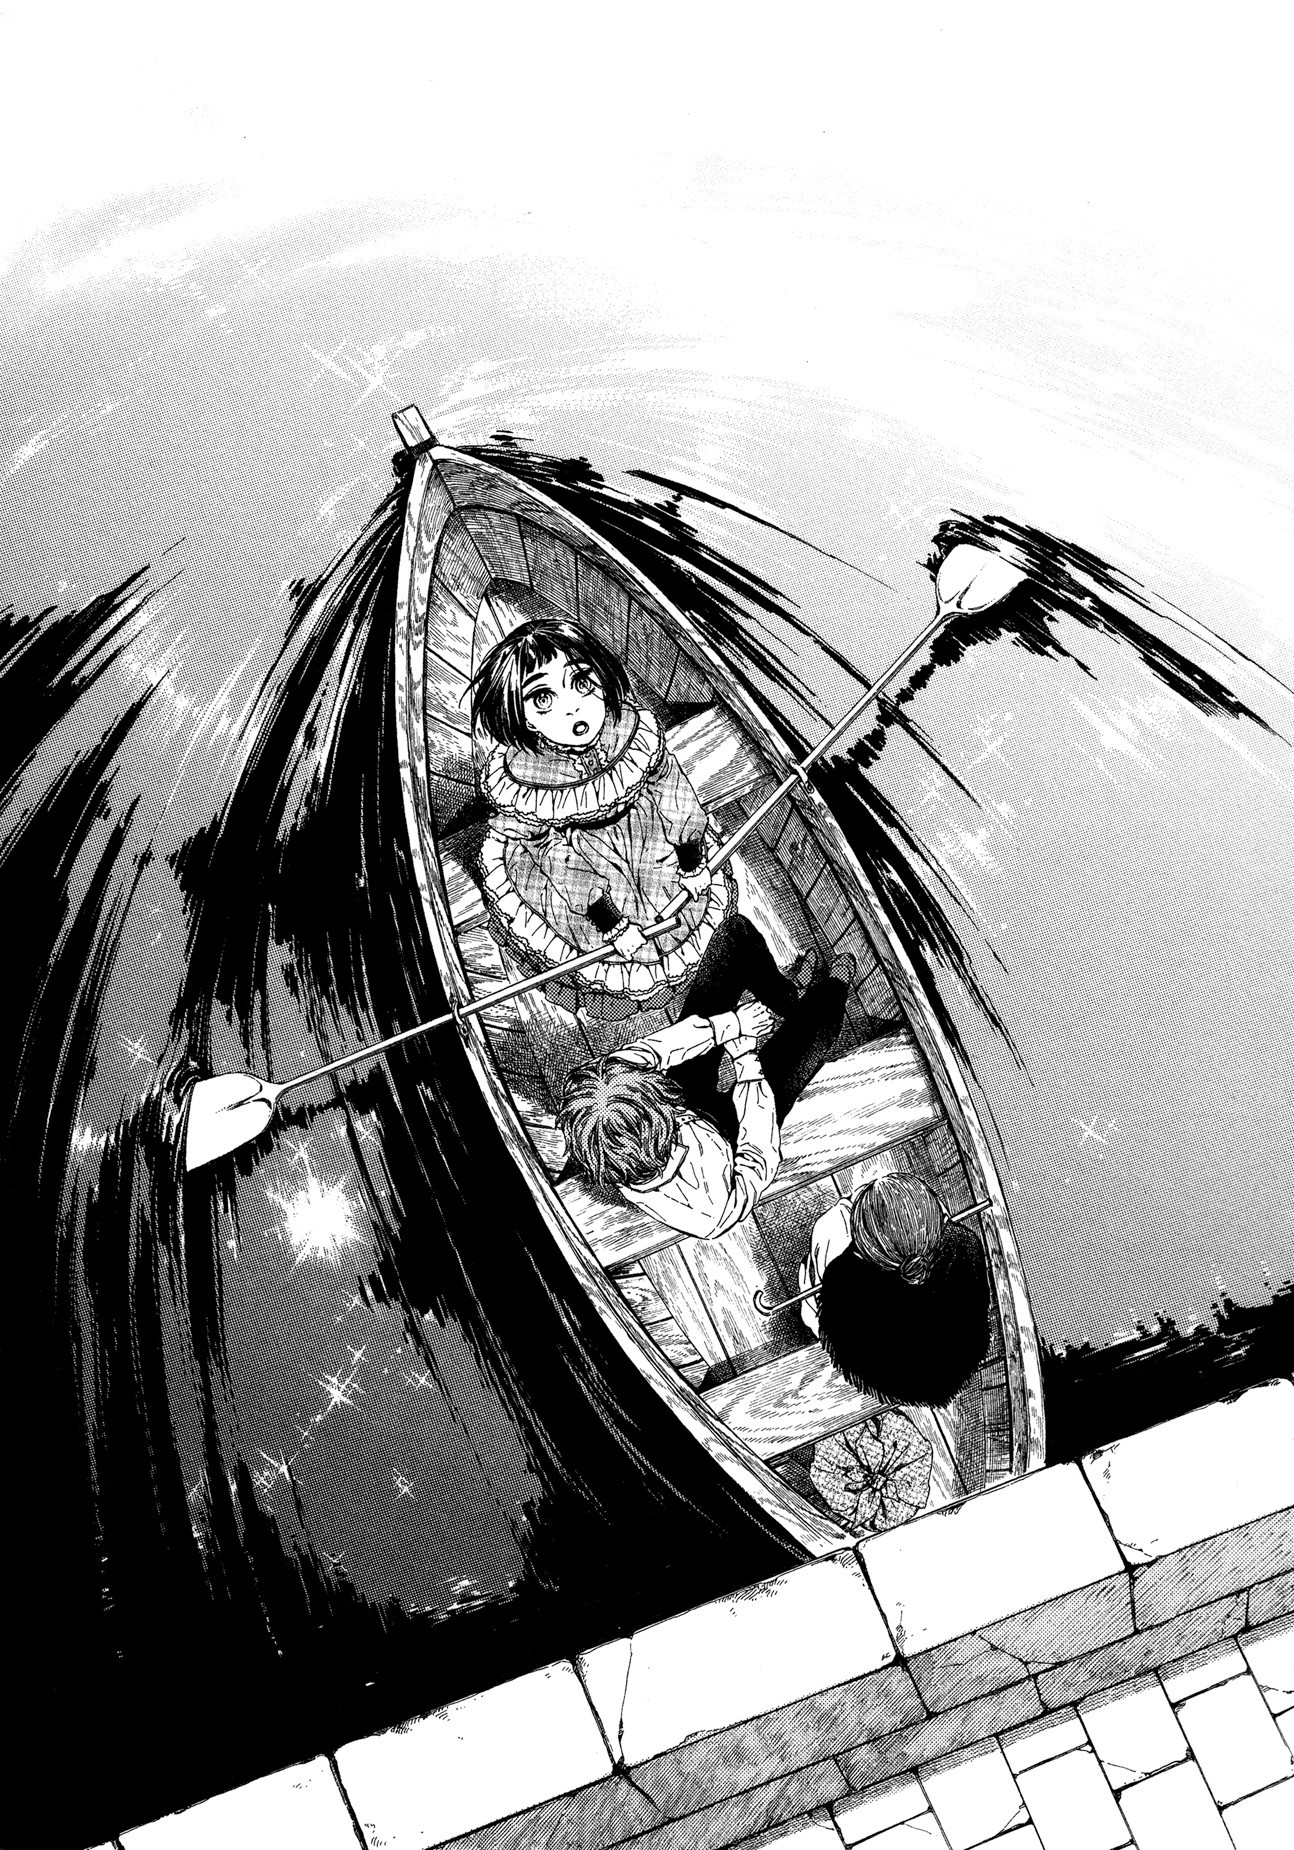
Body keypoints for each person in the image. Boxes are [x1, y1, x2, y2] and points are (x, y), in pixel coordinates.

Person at [469, 615, 734, 1021]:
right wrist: (609, 922)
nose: (572, 708)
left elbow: (671, 788)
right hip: (574, 857)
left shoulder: (627, 729)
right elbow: (553, 857)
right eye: (542, 698)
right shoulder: (528, 778)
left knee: (679, 902)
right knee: (615, 933)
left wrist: (692, 859)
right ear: (522, 718)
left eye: (580, 683)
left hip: (643, 832)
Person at [557, 915, 852, 1239]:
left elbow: (658, 1049)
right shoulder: (708, 1211)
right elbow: (758, 1154)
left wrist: (731, 1025)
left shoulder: (605, 1085)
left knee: (733, 936)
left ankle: (787, 998)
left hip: (678, 1104)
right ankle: (829, 991)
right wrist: (746, 1060)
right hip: (732, 1136)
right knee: (806, 1043)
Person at [799, 1172, 991, 1406]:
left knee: (830, 1227)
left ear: (865, 1252)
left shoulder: (843, 1279)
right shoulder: (966, 1245)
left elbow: (835, 1330)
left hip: (881, 1372)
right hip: (947, 1371)